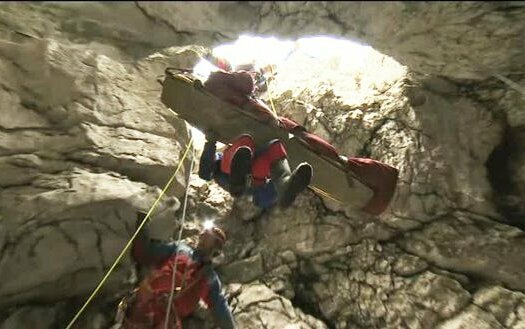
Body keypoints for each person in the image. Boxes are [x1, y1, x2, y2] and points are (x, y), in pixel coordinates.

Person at [120, 214, 236, 329]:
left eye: (210, 236)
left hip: (165, 318)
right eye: (206, 232)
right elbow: (144, 253)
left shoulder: (209, 277)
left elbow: (221, 310)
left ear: (216, 250)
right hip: (146, 306)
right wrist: (143, 221)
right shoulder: (180, 249)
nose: (204, 234)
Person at [198, 133, 313, 209]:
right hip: (240, 177)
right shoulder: (219, 163)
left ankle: (285, 186)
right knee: (254, 146)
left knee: (273, 146)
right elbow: (205, 173)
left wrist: (210, 143)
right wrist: (210, 144)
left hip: (250, 177)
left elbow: (205, 172)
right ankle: (239, 179)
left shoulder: (220, 158)